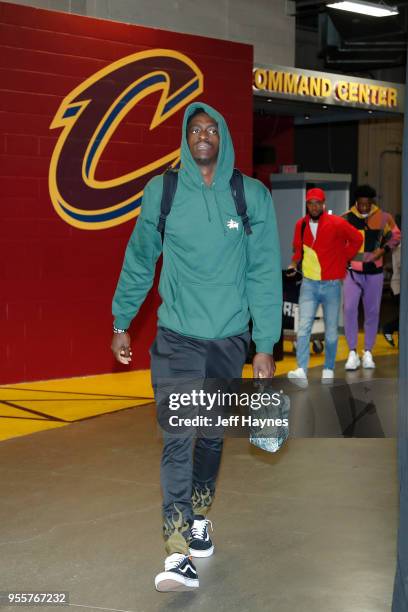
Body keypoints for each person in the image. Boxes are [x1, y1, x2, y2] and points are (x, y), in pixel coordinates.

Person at [111, 102, 282, 592]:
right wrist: (122, 320)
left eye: (210, 129)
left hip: (229, 340)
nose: (203, 136)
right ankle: (176, 549)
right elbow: (141, 259)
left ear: (222, 138)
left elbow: (263, 271)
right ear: (185, 140)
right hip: (177, 338)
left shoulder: (250, 196)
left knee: (209, 437)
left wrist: (265, 344)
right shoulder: (162, 192)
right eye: (194, 130)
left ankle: (200, 513)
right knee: (179, 435)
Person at [286, 188, 363, 384]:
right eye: (310, 203)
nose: (314, 206)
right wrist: (293, 264)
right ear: (307, 204)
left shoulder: (337, 223)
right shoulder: (300, 225)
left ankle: (328, 368)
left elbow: (357, 239)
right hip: (309, 284)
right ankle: (301, 368)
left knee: (330, 330)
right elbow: (297, 249)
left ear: (323, 204)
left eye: (317, 202)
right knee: (303, 328)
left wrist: (344, 257)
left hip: (331, 286)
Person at [342, 185, 401, 370]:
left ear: (372, 203)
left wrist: (382, 250)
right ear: (356, 202)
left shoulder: (384, 217)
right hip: (352, 272)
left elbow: (396, 236)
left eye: (368, 204)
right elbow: (336, 241)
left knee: (372, 312)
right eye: (361, 204)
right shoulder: (346, 218)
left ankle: (368, 352)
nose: (365, 208)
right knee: (350, 309)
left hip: (374, 273)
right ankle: (352, 352)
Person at [383, 242, 401, 347]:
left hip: (400, 286)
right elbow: (400, 264)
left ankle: (389, 329)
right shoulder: (400, 247)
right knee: (404, 316)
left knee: (404, 316)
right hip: (399, 287)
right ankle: (388, 328)